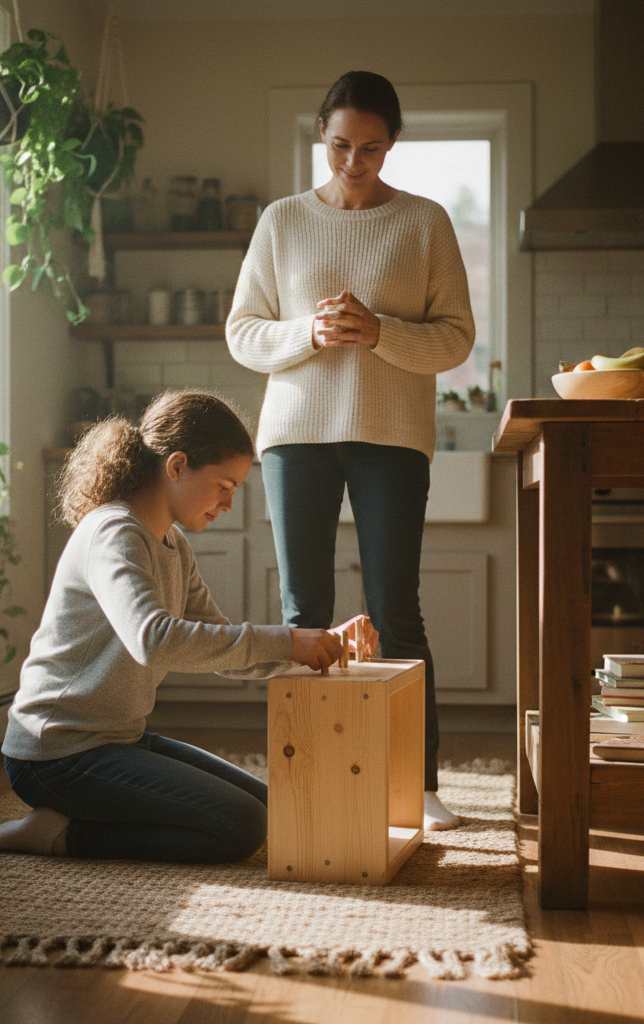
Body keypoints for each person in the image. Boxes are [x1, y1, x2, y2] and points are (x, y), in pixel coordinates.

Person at [226, 71, 475, 830]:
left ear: (391, 143)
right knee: (305, 612)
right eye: (339, 146)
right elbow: (242, 331)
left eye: (369, 148)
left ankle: (420, 785)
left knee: (395, 610)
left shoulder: (426, 223)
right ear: (321, 137)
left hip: (392, 438)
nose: (353, 162)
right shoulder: (281, 220)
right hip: (295, 438)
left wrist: (381, 333)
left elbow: (457, 338)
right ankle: (308, 782)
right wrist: (307, 331)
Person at [0, 390, 342, 862]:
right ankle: (59, 836)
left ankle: (77, 817)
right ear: (176, 466)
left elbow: (222, 650)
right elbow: (153, 640)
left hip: (118, 738)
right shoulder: (114, 532)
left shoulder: (172, 544)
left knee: (270, 806)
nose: (228, 503)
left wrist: (315, 656)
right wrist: (288, 641)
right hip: (56, 756)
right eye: (224, 485)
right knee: (241, 827)